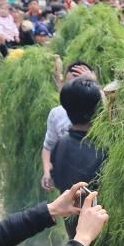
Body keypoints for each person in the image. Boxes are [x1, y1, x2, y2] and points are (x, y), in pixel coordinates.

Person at [49, 77, 106, 238]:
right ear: (97, 110)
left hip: (72, 224)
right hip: (97, 227)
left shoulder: (61, 144)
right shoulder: (103, 147)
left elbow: (56, 180)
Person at [41, 62, 95, 191]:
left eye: (81, 83)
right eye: (71, 84)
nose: (75, 91)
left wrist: (93, 82)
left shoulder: (100, 112)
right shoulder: (56, 114)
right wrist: (47, 172)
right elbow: (48, 147)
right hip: (68, 189)